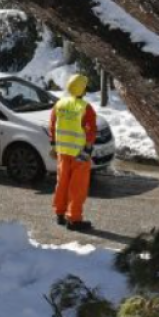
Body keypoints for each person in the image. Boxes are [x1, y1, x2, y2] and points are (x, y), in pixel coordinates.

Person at [49, 73, 97, 231]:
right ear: (83, 90)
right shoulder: (85, 108)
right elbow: (90, 132)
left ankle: (60, 213)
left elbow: (52, 126)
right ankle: (74, 219)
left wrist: (54, 145)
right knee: (77, 187)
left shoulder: (59, 105)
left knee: (62, 183)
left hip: (63, 152)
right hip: (79, 153)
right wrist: (88, 148)